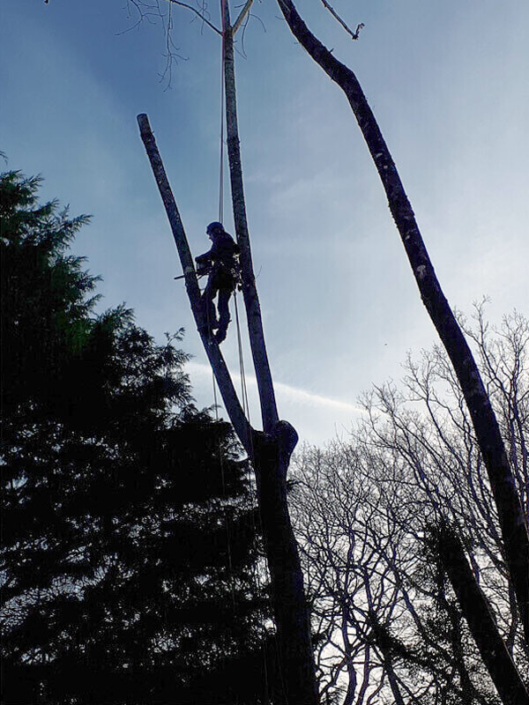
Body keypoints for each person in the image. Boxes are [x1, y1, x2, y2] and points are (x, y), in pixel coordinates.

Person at [195, 222, 240, 344]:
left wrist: (200, 259)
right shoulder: (228, 240)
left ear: (214, 231)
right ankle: (221, 334)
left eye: (210, 234)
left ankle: (211, 321)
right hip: (230, 276)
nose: (210, 237)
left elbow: (213, 254)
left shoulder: (221, 238)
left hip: (220, 274)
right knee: (222, 305)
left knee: (206, 298)